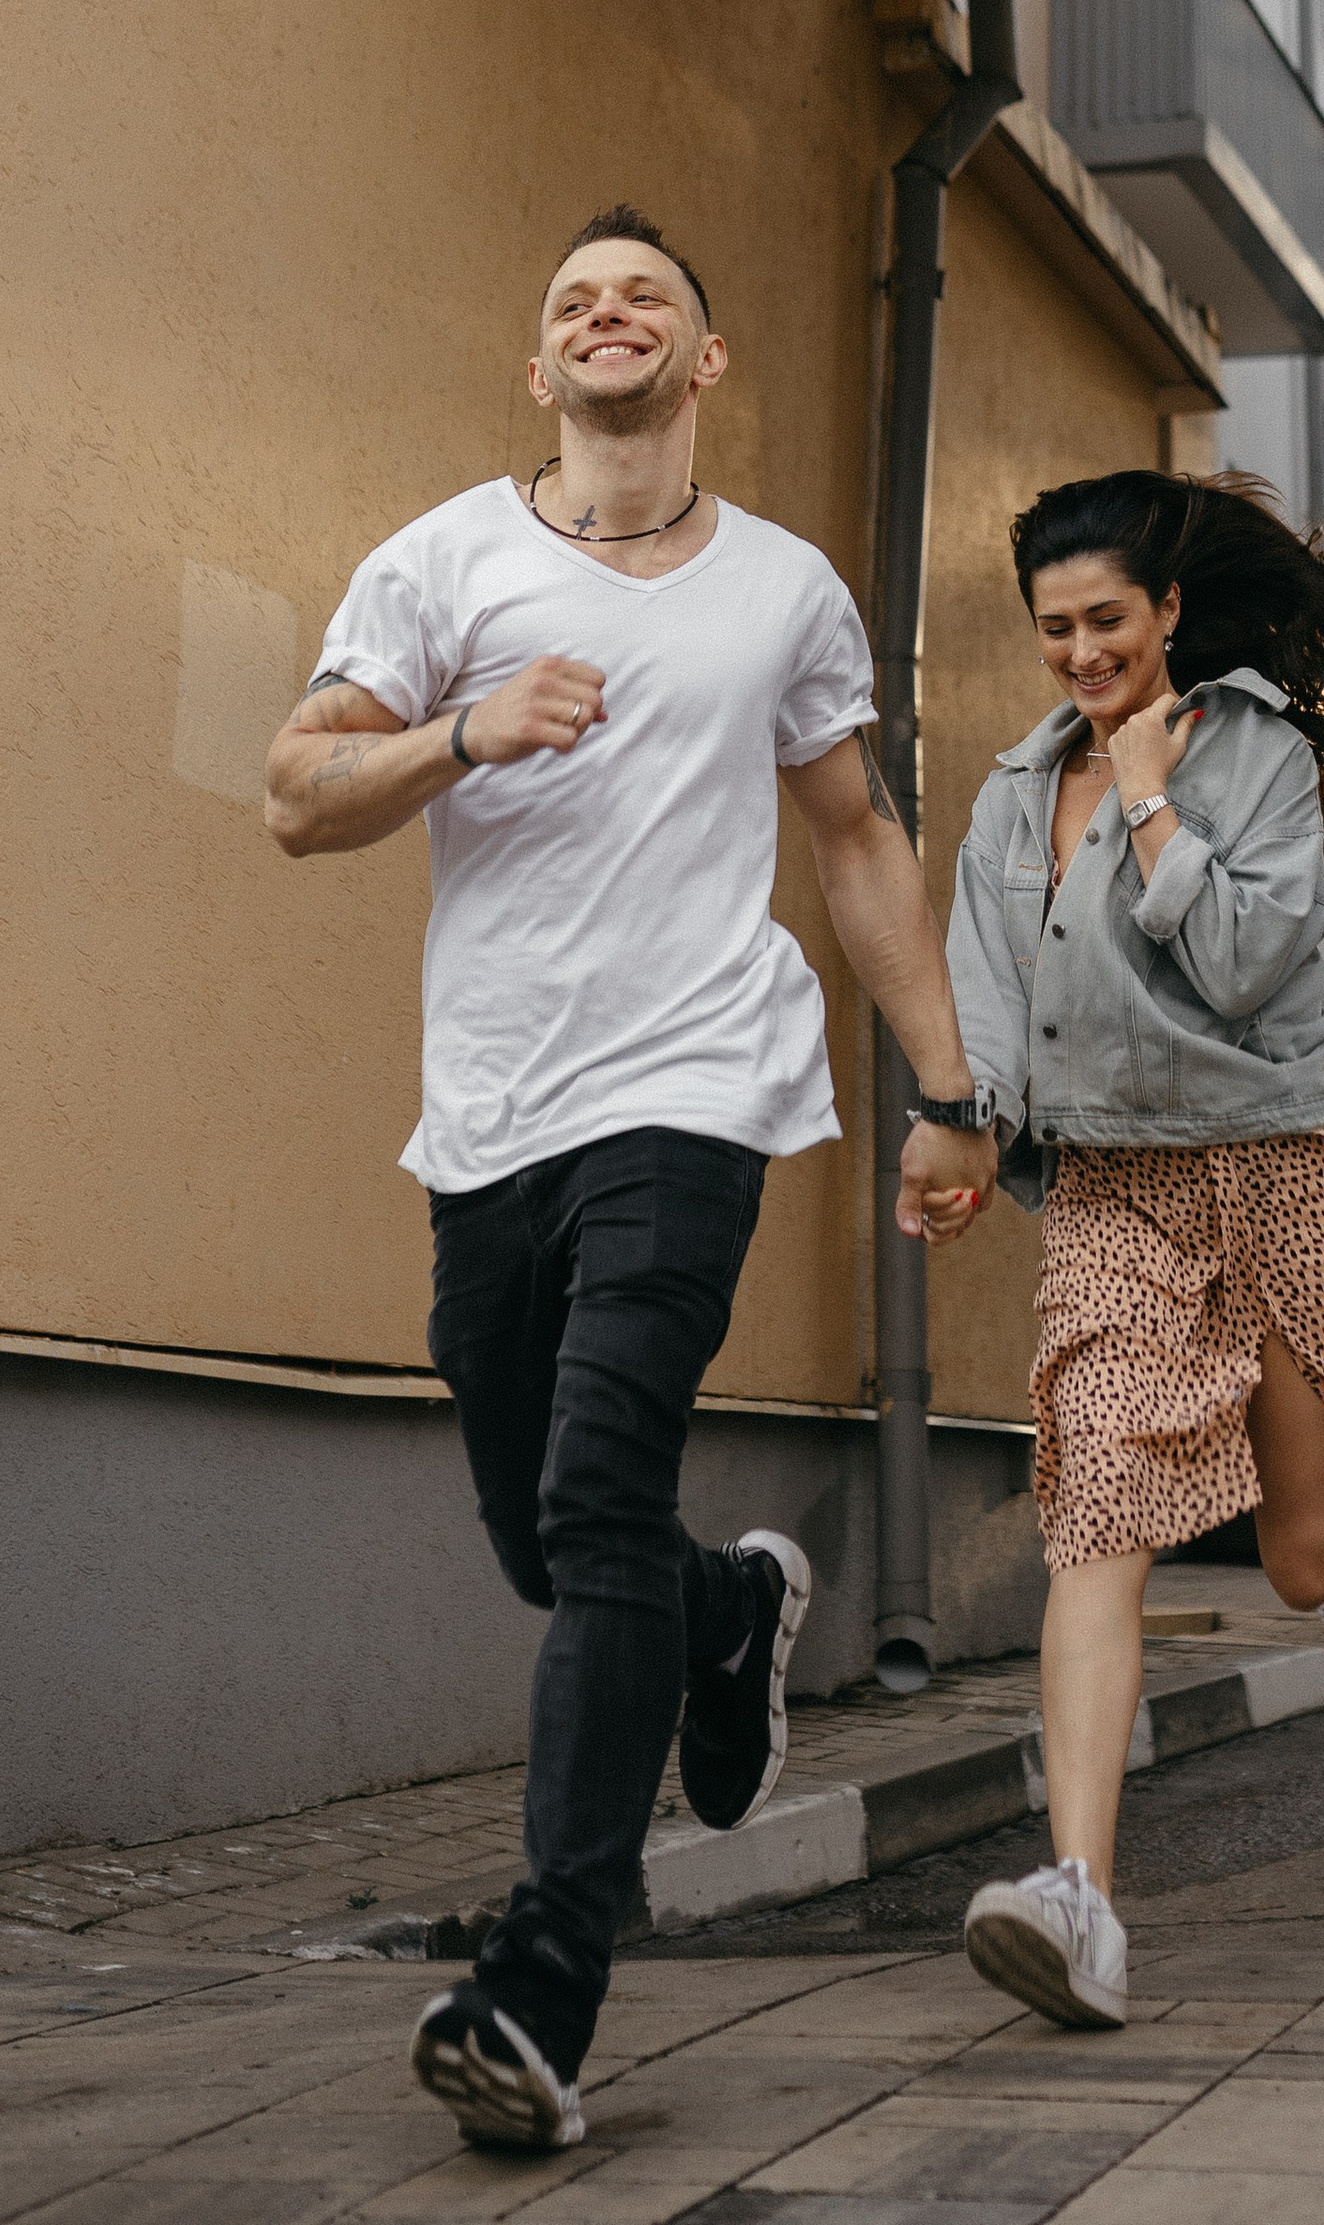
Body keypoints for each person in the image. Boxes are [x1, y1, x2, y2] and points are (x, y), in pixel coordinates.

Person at [264, 203, 996, 2154]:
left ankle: (543, 1983)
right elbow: (290, 791)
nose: (607, 316)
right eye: (573, 298)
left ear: (701, 358)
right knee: (543, 1536)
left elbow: (849, 837)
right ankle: (723, 1614)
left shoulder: (783, 590)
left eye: (644, 297)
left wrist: (946, 1080)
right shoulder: (443, 561)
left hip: (691, 1088)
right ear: (538, 365)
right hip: (490, 1113)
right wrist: (460, 729)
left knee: (595, 1483)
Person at [931, 468, 1324, 2031]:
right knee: (1095, 1515)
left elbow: (1257, 957)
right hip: (1117, 1194)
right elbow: (988, 997)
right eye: (1055, 626)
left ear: (1170, 612)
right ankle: (1080, 1901)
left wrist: (1149, 799)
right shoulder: (1010, 794)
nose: (1079, 651)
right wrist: (966, 1123)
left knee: (1305, 1557)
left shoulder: (1256, 752)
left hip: (1278, 1167)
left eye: (1107, 619)